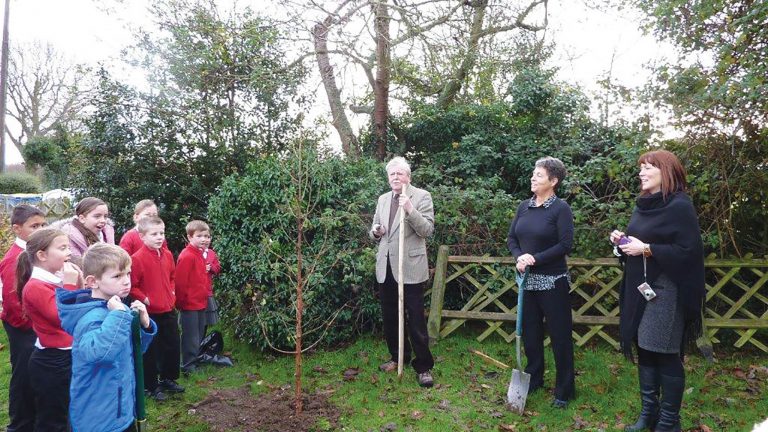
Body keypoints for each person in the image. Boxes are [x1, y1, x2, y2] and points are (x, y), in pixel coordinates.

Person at [610, 150, 704, 432]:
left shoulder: (679, 206)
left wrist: (647, 248)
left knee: (664, 353)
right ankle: (649, 415)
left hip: (668, 291)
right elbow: (636, 247)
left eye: (647, 168)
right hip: (641, 290)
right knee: (645, 350)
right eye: (641, 168)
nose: (641, 173)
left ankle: (668, 421)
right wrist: (622, 244)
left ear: (666, 171)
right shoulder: (643, 206)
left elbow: (689, 251)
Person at [57, 243, 156, 432]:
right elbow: (100, 353)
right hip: (98, 417)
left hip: (121, 408)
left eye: (128, 273)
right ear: (93, 281)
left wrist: (144, 325)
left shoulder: (116, 308)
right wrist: (119, 316)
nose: (127, 281)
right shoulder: (91, 319)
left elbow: (131, 351)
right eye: (117, 276)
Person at [506, 156, 575, 408]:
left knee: (560, 336)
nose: (533, 178)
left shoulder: (560, 209)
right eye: (533, 173)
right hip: (527, 282)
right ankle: (534, 378)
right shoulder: (524, 206)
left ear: (553, 181)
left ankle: (565, 389)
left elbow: (565, 245)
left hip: (553, 282)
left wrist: (534, 258)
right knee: (531, 335)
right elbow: (512, 239)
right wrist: (519, 257)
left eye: (539, 175)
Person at [369, 156, 435, 387]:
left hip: (410, 267)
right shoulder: (383, 199)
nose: (395, 177)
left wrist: (409, 208)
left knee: (415, 318)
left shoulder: (422, 196)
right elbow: (375, 229)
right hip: (386, 267)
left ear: (408, 176)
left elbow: (427, 230)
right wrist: (376, 231)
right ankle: (398, 358)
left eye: (400, 174)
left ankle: (424, 366)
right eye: (392, 174)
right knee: (390, 317)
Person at [17, 228, 82, 432]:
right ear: (42, 255)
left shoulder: (54, 279)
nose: (68, 252)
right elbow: (62, 317)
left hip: (65, 356)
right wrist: (70, 286)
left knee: (67, 412)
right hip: (52, 362)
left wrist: (77, 284)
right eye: (62, 248)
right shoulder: (35, 286)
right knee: (53, 420)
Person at [1, 205, 47, 432]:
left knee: (35, 374)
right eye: (34, 226)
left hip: (35, 326)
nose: (40, 230)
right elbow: (13, 302)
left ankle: (34, 418)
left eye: (43, 225)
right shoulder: (14, 259)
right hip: (23, 328)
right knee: (24, 375)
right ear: (17, 229)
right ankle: (20, 424)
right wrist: (37, 323)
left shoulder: (33, 252)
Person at [129, 216, 183, 401]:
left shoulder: (167, 255)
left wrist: (173, 293)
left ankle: (169, 378)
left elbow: (172, 277)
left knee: (172, 345)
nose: (159, 237)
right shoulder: (136, 259)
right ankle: (151, 386)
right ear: (142, 237)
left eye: (162, 233)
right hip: (149, 313)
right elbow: (132, 286)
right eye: (154, 234)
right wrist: (145, 299)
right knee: (151, 351)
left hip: (168, 308)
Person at [176, 220, 214, 373]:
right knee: (190, 336)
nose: (204, 239)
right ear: (189, 237)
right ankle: (188, 366)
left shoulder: (199, 254)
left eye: (206, 236)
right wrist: (181, 302)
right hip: (189, 304)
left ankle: (194, 360)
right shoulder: (187, 256)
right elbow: (180, 283)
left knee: (198, 334)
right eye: (199, 236)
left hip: (200, 302)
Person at [56, 197, 115, 263]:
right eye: (97, 216)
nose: (103, 220)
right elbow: (77, 265)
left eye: (105, 216)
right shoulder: (69, 236)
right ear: (82, 219)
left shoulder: (107, 233)